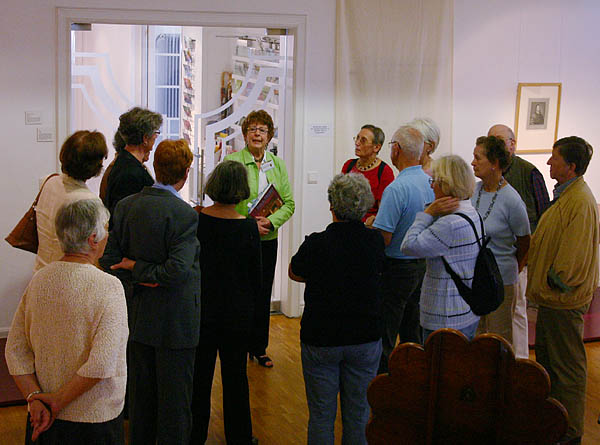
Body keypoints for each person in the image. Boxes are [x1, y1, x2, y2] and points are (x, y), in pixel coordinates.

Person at [100, 139, 200, 445]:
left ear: (155, 168)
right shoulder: (184, 214)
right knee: (175, 406)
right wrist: (143, 270)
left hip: (138, 316)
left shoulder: (126, 206)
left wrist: (134, 267)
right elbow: (175, 271)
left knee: (141, 403)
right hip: (176, 323)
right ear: (186, 173)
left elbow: (110, 261)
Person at [5, 199, 128, 444]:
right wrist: (57, 401)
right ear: (94, 238)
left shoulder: (39, 280)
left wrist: (36, 397)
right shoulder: (109, 286)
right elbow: (102, 363)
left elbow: (15, 351)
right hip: (93, 420)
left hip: (43, 416)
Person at [289, 173, 385, 445]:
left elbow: (294, 272)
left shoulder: (316, 243)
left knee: (321, 415)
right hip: (365, 337)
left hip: (321, 337)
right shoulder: (374, 242)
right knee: (358, 414)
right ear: (365, 206)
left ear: (332, 205)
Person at [527, 136, 598, 444]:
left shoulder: (580, 201)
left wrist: (554, 282)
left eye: (554, 158)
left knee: (566, 368)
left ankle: (570, 432)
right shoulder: (568, 196)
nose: (548, 163)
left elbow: (572, 257)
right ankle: (555, 422)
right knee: (551, 365)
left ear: (570, 166)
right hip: (554, 299)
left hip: (563, 301)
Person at [190, 160, 262, 445]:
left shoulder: (197, 221)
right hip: (236, 315)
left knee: (199, 378)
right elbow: (255, 278)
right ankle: (239, 437)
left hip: (202, 311)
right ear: (241, 189)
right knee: (235, 378)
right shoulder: (248, 229)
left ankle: (195, 436)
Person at [224, 110, 295, 368]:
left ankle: (259, 347)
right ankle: (236, 348)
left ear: (269, 136)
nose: (257, 133)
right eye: (252, 129)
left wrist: (270, 222)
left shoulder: (278, 164)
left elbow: (289, 204)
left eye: (262, 130)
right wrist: (248, 225)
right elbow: (224, 202)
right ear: (244, 134)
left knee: (262, 293)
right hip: (240, 239)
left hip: (267, 240)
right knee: (239, 293)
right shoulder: (232, 162)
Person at [370, 126, 435, 373]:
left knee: (386, 333)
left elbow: (384, 238)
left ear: (395, 150)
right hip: (423, 265)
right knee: (413, 332)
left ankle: (381, 390)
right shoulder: (430, 182)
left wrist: (371, 227)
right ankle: (413, 385)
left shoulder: (396, 189)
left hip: (397, 267)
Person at [401, 155, 481, 341]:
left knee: (439, 369)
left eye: (434, 181)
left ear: (446, 185)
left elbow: (408, 245)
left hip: (445, 317)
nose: (431, 186)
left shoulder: (450, 224)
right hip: (466, 309)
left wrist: (427, 214)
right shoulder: (470, 211)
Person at [488, 124, 550, 358]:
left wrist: (524, 256)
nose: (494, 145)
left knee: (518, 310)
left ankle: (521, 361)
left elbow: (543, 215)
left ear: (513, 144)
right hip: (494, 258)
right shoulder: (487, 178)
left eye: (499, 140)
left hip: (517, 255)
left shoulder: (528, 172)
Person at [471, 135, 530, 349]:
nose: (473, 163)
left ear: (495, 163)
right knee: (476, 333)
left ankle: (501, 380)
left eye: (478, 158)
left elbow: (525, 241)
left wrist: (515, 266)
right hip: (476, 275)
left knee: (499, 337)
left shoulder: (512, 200)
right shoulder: (474, 191)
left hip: (501, 279)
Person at [34, 130, 107, 271]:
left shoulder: (48, 181)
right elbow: (95, 250)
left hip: (41, 270)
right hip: (68, 276)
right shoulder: (88, 202)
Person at [103, 106, 162, 226]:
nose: (156, 137)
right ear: (145, 138)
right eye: (156, 133)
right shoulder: (131, 172)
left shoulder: (124, 161)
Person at [341, 124, 394, 221]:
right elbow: (339, 200)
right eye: (357, 138)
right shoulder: (348, 165)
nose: (357, 143)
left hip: (369, 228)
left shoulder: (385, 172)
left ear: (376, 147)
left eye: (363, 140)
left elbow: (384, 211)